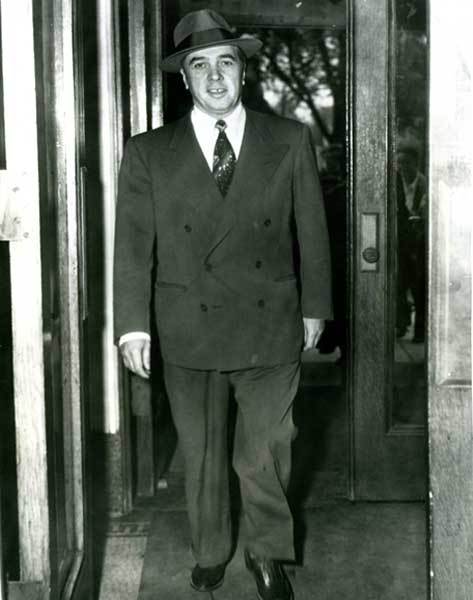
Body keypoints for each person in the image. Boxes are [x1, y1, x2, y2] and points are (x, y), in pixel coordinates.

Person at [114, 9, 332, 600]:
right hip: (189, 326)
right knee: (204, 454)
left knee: (267, 449)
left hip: (270, 321)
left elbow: (312, 231)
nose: (215, 77)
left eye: (226, 62)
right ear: (184, 78)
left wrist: (316, 306)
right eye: (200, 65)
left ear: (243, 70)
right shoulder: (148, 152)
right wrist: (132, 327)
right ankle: (211, 550)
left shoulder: (288, 139)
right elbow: (132, 246)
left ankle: (267, 554)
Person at [395, 142, 427, 343]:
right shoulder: (396, 182)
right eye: (399, 163)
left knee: (418, 286)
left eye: (406, 162)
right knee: (400, 282)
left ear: (416, 163)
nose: (402, 167)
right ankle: (402, 322)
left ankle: (420, 330)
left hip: (419, 242)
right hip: (402, 241)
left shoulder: (425, 184)